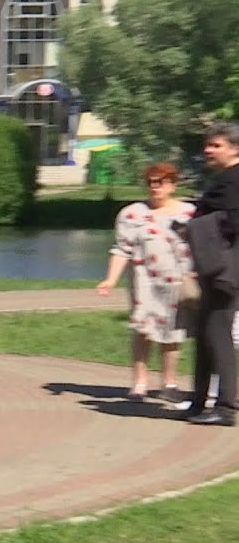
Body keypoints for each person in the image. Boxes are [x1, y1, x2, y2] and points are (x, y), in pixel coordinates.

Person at [96, 163, 195, 403]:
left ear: (172, 184)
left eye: (160, 182)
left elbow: (201, 247)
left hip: (177, 281)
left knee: (173, 332)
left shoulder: (189, 213)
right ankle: (140, 382)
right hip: (144, 282)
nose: (154, 187)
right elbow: (121, 250)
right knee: (142, 330)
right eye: (150, 182)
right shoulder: (132, 214)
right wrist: (110, 279)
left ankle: (169, 382)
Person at [182, 123, 239, 425]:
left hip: (224, 269)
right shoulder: (225, 179)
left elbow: (232, 223)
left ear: (235, 148)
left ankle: (226, 407)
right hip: (216, 267)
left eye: (216, 145)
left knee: (217, 335)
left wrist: (196, 225)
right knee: (206, 334)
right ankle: (199, 402)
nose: (208, 150)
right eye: (207, 144)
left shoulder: (233, 180)